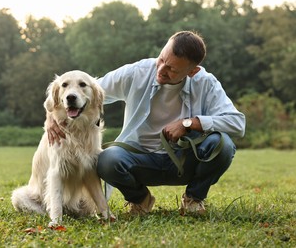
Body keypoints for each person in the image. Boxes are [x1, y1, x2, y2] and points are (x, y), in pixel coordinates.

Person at [47, 30, 246, 216]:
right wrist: (50, 117)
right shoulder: (137, 72)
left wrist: (189, 123)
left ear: (193, 71)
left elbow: (237, 123)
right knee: (107, 160)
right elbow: (87, 91)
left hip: (183, 160)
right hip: (137, 158)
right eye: (161, 60)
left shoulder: (206, 82)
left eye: (171, 69)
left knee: (223, 146)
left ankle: (194, 199)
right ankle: (140, 199)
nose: (160, 70)